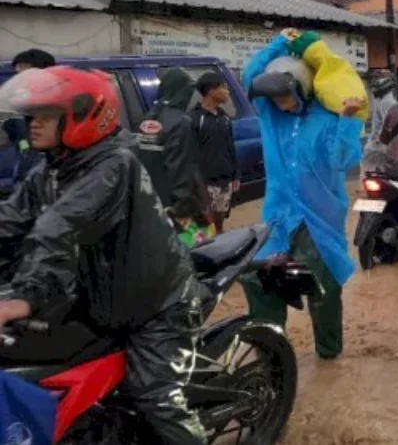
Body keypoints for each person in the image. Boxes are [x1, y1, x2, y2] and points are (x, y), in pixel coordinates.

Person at [0, 67, 206, 444]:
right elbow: (10, 223)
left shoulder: (114, 164)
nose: (33, 124)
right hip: (97, 299)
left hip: (156, 308)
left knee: (156, 399)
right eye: (32, 115)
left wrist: (25, 297)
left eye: (46, 115)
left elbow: (57, 228)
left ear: (83, 117)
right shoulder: (50, 170)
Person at [240, 32, 364, 360]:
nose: (281, 102)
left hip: (320, 217)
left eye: (286, 95)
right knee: (257, 276)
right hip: (279, 215)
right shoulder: (270, 116)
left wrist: (347, 122)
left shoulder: (326, 119)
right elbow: (249, 75)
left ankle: (329, 352)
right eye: (276, 96)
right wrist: (279, 42)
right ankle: (271, 351)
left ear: (303, 88)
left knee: (321, 284)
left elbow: (343, 161)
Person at [135, 67, 207, 246]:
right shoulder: (181, 123)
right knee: (198, 250)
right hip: (176, 208)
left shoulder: (146, 120)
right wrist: (184, 210)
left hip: (149, 205)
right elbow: (181, 169)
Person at [0, 49, 55, 200]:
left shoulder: (59, 104)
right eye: (17, 75)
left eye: (23, 75)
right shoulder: (15, 104)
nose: (18, 81)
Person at [190, 71, 239, 235]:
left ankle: (220, 252)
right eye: (224, 87)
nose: (228, 91)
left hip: (224, 182)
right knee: (202, 226)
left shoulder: (224, 118)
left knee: (219, 223)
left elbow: (230, 147)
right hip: (205, 184)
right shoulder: (195, 119)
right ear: (211, 90)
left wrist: (235, 175)